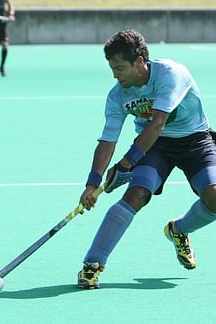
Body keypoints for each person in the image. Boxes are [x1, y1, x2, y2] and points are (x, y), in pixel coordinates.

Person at [77, 29, 216, 289]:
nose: (115, 75)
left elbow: (158, 124)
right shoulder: (117, 95)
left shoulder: (171, 75)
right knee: (136, 195)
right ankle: (92, 264)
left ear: (139, 62)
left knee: (214, 195)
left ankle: (179, 229)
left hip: (195, 140)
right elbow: (108, 140)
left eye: (119, 68)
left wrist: (126, 163)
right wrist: (92, 183)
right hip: (155, 148)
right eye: (112, 68)